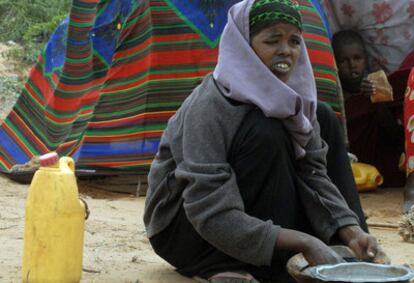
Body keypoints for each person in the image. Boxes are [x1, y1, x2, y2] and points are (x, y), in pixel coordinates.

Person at [144, 1, 383, 282]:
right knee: (264, 131)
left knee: (323, 116)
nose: (286, 50)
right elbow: (206, 207)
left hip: (256, 219)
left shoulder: (295, 101)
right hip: (187, 231)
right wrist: (304, 242)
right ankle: (226, 264)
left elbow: (313, 174)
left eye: (294, 41)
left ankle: (337, 250)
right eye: (272, 40)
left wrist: (350, 229)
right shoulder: (210, 106)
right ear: (244, 45)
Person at [332, 30, 405, 188]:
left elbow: (393, 134)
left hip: (380, 161)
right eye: (344, 60)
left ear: (366, 59)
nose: (352, 65)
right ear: (335, 63)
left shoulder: (378, 83)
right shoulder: (332, 92)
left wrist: (375, 100)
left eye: (357, 58)